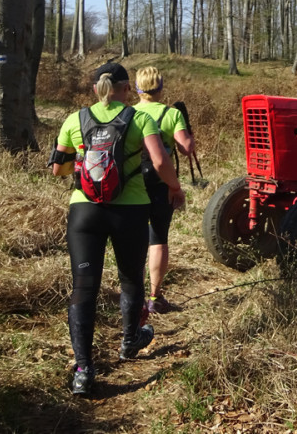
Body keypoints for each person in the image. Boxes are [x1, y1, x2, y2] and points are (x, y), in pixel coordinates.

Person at [50, 62, 186, 396]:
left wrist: (84, 165)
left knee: (84, 287)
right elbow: (159, 161)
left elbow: (58, 169)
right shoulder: (141, 119)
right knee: (129, 278)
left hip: (85, 213)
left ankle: (83, 370)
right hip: (130, 210)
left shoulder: (74, 119)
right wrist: (175, 187)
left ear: (96, 88)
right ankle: (129, 341)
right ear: (125, 88)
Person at [133, 66, 195, 315]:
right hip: (161, 186)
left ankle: (132, 294)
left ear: (137, 88)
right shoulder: (172, 114)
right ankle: (155, 296)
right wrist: (186, 126)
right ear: (160, 87)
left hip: (131, 186)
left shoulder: (128, 113)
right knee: (158, 239)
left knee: (132, 241)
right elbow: (186, 149)